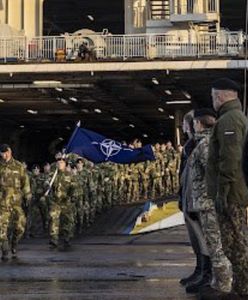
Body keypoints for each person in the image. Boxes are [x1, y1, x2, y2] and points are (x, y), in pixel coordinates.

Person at [206, 78, 248, 299]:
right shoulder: (233, 117)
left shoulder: (229, 120)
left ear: (221, 96)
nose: (213, 101)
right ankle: (241, 287)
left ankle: (243, 290)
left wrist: (222, 193)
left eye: (214, 96)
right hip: (234, 191)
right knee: (235, 243)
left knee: (236, 243)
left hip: (232, 193)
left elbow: (230, 160)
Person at [191, 109, 234, 300]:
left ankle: (223, 285)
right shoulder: (207, 142)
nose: (193, 127)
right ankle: (219, 283)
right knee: (214, 245)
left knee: (216, 246)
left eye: (194, 123)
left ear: (199, 124)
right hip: (207, 203)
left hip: (209, 204)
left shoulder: (206, 144)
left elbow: (214, 173)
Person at [179, 111, 212, 293]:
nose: (183, 128)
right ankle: (200, 269)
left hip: (198, 197)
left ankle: (206, 274)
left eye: (185, 124)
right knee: (195, 238)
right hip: (189, 195)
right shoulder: (190, 144)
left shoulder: (198, 144)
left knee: (203, 238)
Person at [0, 144, 31, 260]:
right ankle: (4, 249)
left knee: (20, 226)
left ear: (10, 151)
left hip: (16, 203)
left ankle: (14, 243)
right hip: (2, 203)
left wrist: (28, 195)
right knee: (1, 228)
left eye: (5, 152)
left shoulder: (19, 166)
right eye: (2, 153)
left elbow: (25, 182)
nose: (4, 155)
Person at [48, 157, 76, 250]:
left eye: (62, 163)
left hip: (66, 202)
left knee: (67, 221)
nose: (60, 164)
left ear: (65, 164)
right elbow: (47, 186)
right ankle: (54, 240)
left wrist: (71, 197)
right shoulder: (52, 175)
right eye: (58, 163)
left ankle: (67, 238)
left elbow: (74, 188)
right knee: (54, 220)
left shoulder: (69, 175)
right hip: (55, 201)